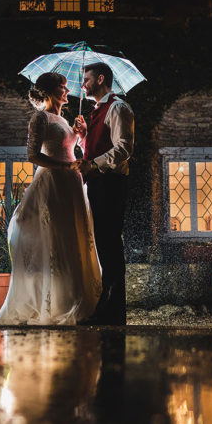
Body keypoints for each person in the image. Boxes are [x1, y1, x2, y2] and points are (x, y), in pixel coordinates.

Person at [0, 72, 102, 325]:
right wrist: (63, 166)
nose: (67, 92)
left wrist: (82, 135)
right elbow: (33, 155)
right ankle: (51, 303)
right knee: (54, 239)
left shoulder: (64, 120)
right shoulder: (40, 117)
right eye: (63, 88)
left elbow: (75, 149)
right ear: (51, 92)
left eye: (66, 88)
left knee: (71, 237)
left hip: (72, 184)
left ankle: (74, 297)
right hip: (53, 183)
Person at [73, 62, 134, 325]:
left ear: (100, 79)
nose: (82, 84)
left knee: (109, 243)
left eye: (86, 79)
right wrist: (83, 137)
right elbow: (96, 147)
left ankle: (113, 310)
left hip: (111, 182)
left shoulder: (118, 107)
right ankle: (107, 308)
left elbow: (123, 149)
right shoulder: (98, 110)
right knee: (102, 243)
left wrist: (94, 165)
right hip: (98, 182)